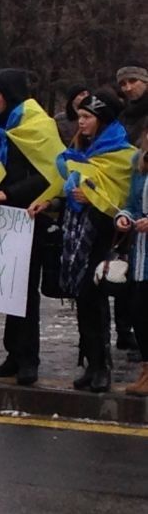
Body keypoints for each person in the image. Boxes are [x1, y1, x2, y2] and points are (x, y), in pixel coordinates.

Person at [31, 92, 134, 392]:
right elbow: (64, 185)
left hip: (102, 235)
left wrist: (93, 197)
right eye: (81, 116)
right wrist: (48, 201)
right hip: (77, 234)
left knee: (94, 298)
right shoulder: (80, 151)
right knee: (84, 301)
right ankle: (90, 363)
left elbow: (123, 197)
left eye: (88, 117)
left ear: (102, 120)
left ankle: (102, 367)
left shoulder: (122, 155)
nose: (82, 122)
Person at [0, 68, 65, 385]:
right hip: (3, 219)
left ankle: (29, 358)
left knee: (26, 293)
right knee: (9, 291)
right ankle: (13, 353)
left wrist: (9, 193)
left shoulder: (38, 126)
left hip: (31, 217)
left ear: (10, 94)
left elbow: (51, 174)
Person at [115, 125, 148, 396]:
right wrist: (124, 216)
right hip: (141, 254)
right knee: (139, 310)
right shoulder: (139, 163)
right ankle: (146, 370)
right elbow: (132, 203)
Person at [117, 62, 148, 145]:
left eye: (133, 81)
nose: (128, 88)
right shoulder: (123, 116)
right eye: (123, 84)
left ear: (145, 82)